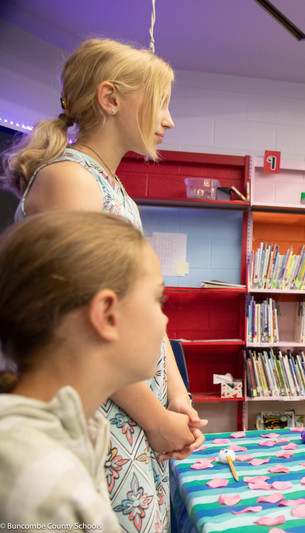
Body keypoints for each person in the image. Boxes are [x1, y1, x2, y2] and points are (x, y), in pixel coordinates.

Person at [1, 38, 206, 531]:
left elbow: (141, 312)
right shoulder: (71, 180)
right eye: (161, 103)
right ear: (111, 99)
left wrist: (176, 396)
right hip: (114, 413)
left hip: (138, 411)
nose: (169, 120)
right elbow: (83, 325)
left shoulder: (111, 186)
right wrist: (155, 418)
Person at [0, 211, 169, 528]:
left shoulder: (78, 429)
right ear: (106, 314)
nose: (165, 319)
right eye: (159, 298)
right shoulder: (37, 477)